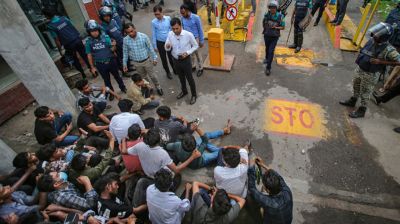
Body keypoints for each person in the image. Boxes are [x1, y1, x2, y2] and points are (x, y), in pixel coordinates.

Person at [339, 23, 400, 118]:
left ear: (383, 37)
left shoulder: (389, 50)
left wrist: (381, 61)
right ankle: (353, 100)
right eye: (375, 33)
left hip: (371, 74)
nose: (374, 35)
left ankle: (362, 110)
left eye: (377, 34)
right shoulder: (371, 41)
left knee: (365, 92)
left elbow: (398, 62)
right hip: (361, 68)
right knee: (356, 85)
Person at [42, 9, 91, 79]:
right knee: (84, 55)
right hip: (77, 39)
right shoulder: (64, 18)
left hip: (69, 45)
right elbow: (73, 26)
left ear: (46, 16)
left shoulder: (51, 26)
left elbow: (57, 40)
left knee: (75, 60)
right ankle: (92, 70)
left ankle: (83, 75)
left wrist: (60, 50)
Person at [85, 20, 127, 94]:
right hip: (100, 64)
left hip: (111, 61)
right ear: (89, 32)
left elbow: (112, 49)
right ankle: (111, 93)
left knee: (117, 76)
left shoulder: (106, 37)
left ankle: (123, 88)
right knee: (106, 80)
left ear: (99, 30)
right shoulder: (88, 42)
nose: (94, 33)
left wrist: (114, 45)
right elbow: (89, 55)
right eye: (92, 31)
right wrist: (92, 67)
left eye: (96, 30)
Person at [247, 157, 293, 224]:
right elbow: (278, 176)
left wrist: (251, 167)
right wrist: (262, 165)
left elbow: (252, 188)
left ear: (267, 190)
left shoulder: (268, 202)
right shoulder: (287, 191)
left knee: (260, 209)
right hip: (288, 221)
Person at [123, 23, 164, 96]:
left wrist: (155, 58)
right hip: (136, 63)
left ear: (135, 28)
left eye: (131, 31)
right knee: (143, 78)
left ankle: (158, 86)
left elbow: (150, 48)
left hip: (146, 61)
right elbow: (125, 52)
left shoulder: (143, 36)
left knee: (152, 76)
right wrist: (124, 64)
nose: (130, 34)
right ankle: (149, 87)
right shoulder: (125, 40)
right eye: (128, 32)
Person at [165, 18, 199, 104]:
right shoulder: (170, 34)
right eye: (173, 29)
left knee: (190, 79)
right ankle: (184, 91)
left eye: (177, 28)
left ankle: (194, 95)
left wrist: (187, 53)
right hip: (175, 60)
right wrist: (167, 46)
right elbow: (166, 47)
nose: (175, 30)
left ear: (181, 26)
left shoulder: (188, 35)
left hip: (186, 60)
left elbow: (195, 46)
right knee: (181, 78)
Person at [152, 5, 176, 79]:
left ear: (162, 12)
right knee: (163, 59)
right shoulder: (153, 22)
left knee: (171, 57)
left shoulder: (168, 19)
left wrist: (172, 40)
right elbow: (154, 34)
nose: (157, 16)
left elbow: (171, 30)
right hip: (160, 43)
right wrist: (155, 46)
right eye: (155, 14)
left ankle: (175, 70)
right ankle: (168, 72)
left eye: (158, 14)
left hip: (168, 42)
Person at [180, 4, 205, 77]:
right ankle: (193, 66)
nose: (182, 15)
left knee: (198, 54)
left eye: (183, 13)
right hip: (187, 39)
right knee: (191, 54)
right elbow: (183, 29)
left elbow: (200, 29)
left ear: (188, 11)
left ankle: (201, 68)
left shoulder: (196, 18)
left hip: (195, 39)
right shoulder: (182, 18)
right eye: (181, 13)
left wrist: (201, 40)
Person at [262, 0, 285, 76]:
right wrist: (265, 30)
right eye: (271, 8)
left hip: (274, 37)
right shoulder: (266, 15)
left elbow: (283, 27)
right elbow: (263, 23)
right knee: (267, 48)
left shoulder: (280, 16)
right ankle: (266, 58)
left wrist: (276, 27)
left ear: (276, 8)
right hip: (267, 35)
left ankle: (268, 68)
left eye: (273, 8)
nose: (272, 9)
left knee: (271, 51)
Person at [99, 6, 125, 73]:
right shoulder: (102, 27)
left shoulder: (113, 21)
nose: (107, 17)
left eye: (108, 15)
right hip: (114, 45)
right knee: (119, 59)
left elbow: (118, 29)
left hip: (121, 41)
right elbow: (105, 37)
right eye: (105, 16)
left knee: (124, 55)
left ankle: (128, 66)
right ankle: (123, 71)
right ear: (102, 17)